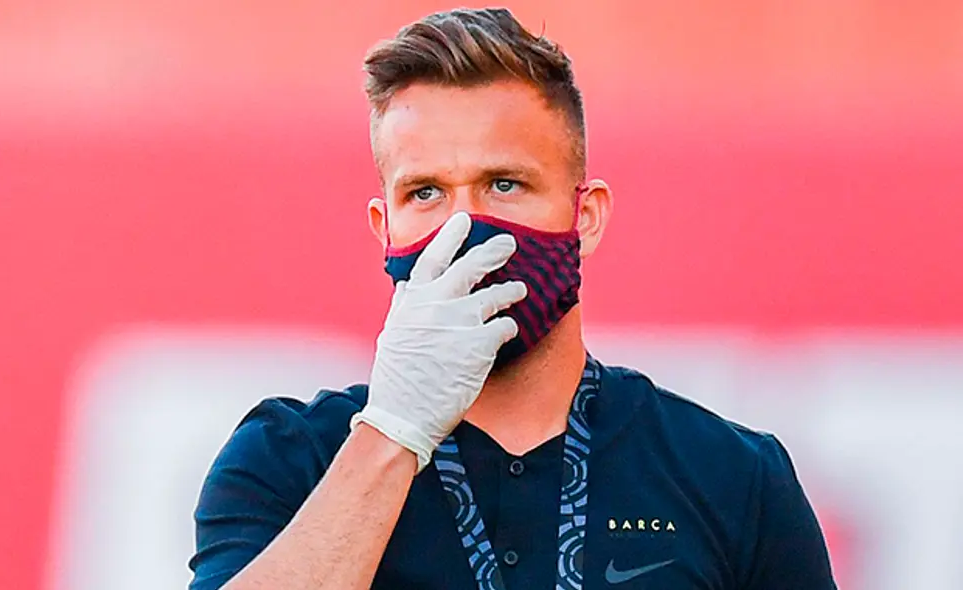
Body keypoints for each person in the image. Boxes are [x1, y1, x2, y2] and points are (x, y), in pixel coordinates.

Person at [188, 8, 837, 590]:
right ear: (384, 229)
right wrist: (392, 433)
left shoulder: (732, 475)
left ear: (586, 217)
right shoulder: (287, 457)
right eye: (425, 193)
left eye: (504, 184)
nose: (464, 227)